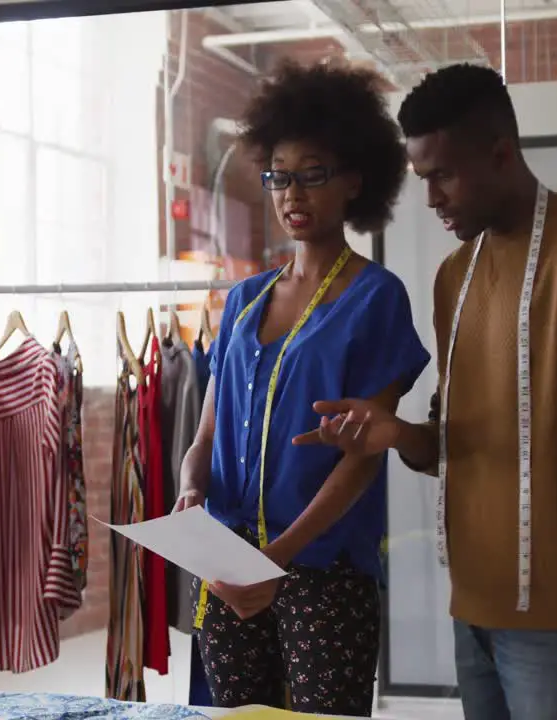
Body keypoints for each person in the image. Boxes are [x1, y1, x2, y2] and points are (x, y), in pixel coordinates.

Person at [294, 63, 557, 720]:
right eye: (421, 180)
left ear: (501, 154)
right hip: (473, 616)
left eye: (442, 175)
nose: (433, 198)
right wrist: (395, 434)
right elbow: (451, 443)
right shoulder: (454, 277)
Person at [174, 59, 430, 718]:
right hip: (229, 562)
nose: (293, 193)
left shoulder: (376, 297)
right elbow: (208, 429)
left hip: (323, 567)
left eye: (312, 175)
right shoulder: (244, 298)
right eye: (279, 176)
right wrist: (190, 484)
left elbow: (363, 453)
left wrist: (278, 558)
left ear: (354, 181)